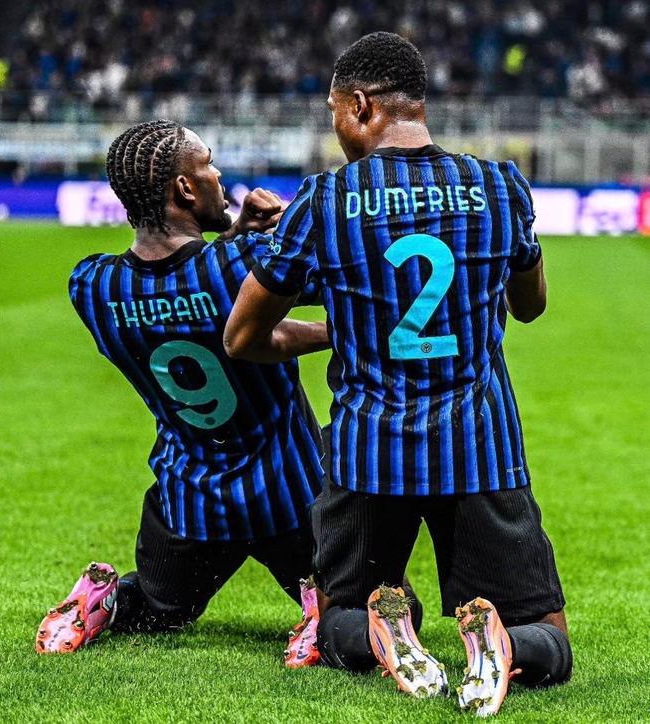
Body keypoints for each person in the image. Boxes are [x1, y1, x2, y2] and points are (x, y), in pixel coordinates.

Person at [223, 32, 572, 716]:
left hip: (367, 454)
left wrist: (341, 324)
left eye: (333, 112)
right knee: (549, 634)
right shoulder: (500, 187)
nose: (335, 128)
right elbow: (530, 306)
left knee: (337, 619)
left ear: (359, 105)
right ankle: (502, 642)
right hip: (480, 447)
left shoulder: (323, 203)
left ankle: (389, 629)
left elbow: (242, 336)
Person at [35, 120, 329, 660]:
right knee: (377, 602)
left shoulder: (94, 287)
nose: (219, 174)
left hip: (189, 503)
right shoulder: (244, 264)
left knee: (158, 608)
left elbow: (186, 298)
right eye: (209, 164)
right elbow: (259, 301)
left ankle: (105, 600)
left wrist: (234, 234)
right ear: (185, 189)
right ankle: (322, 610)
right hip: (289, 494)